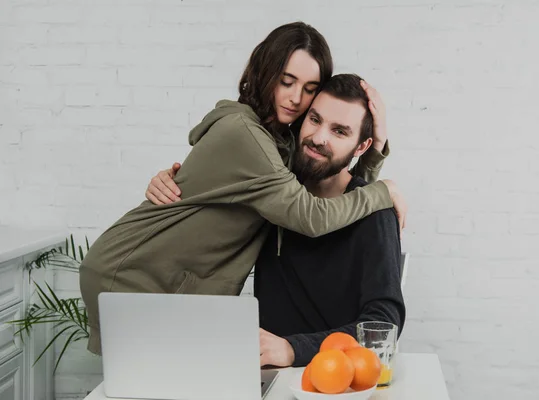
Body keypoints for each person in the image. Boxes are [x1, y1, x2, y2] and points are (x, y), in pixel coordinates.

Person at [79, 22, 406, 356]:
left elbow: (329, 179)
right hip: (133, 275)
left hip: (174, 285)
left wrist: (372, 156)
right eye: (286, 81)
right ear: (265, 72)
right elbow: (311, 212)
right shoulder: (247, 137)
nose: (296, 98)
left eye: (309, 88)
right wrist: (383, 190)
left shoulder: (282, 152)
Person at [145, 74, 406, 368]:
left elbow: (384, 325)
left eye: (340, 132)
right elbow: (205, 208)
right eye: (315, 119)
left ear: (361, 147)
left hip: (336, 377)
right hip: (259, 372)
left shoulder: (375, 211)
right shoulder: (270, 193)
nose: (319, 138)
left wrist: (293, 350)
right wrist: (172, 183)